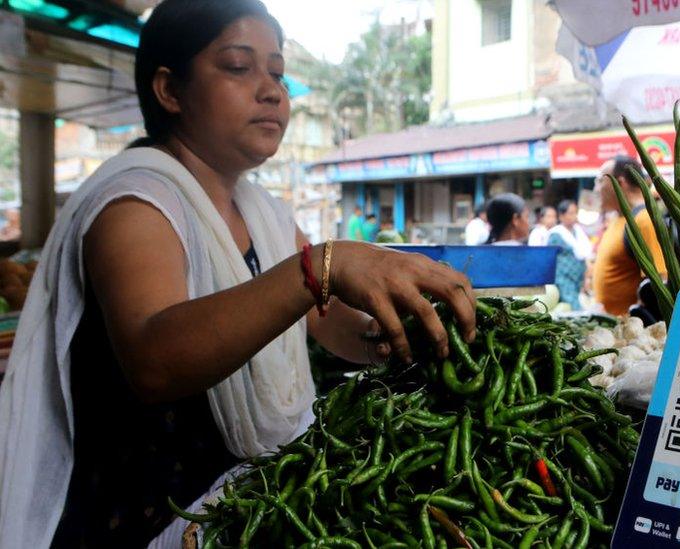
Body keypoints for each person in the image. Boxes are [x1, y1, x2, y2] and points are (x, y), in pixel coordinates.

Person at [0, 2, 477, 547]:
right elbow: (154, 360)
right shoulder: (134, 204)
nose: (271, 90)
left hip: (241, 506)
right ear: (169, 90)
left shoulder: (264, 215)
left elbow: (336, 326)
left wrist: (414, 331)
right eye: (237, 66)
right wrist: (323, 266)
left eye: (276, 73)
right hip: (147, 525)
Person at [592, 156, 667, 316]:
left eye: (600, 181)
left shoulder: (644, 220)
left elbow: (658, 284)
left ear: (620, 183)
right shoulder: (619, 219)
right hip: (612, 329)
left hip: (632, 332)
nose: (596, 190)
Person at [548, 200, 592, 310]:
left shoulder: (578, 231)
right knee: (573, 307)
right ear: (562, 216)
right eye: (571, 213)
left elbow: (584, 255)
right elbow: (550, 259)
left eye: (575, 212)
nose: (574, 216)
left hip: (578, 280)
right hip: (563, 280)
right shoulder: (556, 234)